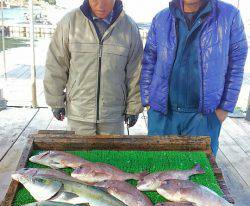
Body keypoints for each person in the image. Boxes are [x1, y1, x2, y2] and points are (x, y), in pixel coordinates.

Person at [140, 0, 248, 155]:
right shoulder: (161, 18)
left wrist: (223, 109)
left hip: (205, 118)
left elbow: (236, 64)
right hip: (162, 116)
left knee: (199, 175)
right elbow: (148, 61)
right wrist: (148, 101)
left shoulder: (229, 16)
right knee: (158, 173)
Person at [44, 0, 143, 135]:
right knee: (78, 155)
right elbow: (55, 64)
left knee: (110, 156)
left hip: (113, 115)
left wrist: (133, 107)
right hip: (79, 113)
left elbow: (136, 71)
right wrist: (56, 101)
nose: (101, 5)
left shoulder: (130, 27)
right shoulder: (69, 22)